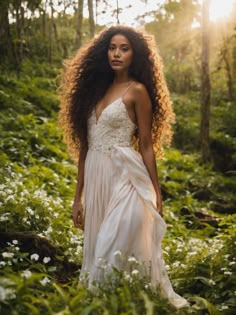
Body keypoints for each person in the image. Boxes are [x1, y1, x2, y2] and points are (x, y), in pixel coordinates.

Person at [59, 25, 188, 309]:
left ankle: (126, 299)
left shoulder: (138, 91)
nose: (117, 54)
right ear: (105, 51)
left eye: (124, 49)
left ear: (135, 55)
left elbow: (145, 145)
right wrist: (77, 197)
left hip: (125, 176)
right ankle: (112, 303)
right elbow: (84, 147)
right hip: (96, 173)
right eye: (112, 47)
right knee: (97, 245)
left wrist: (156, 192)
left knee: (111, 241)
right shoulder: (94, 90)